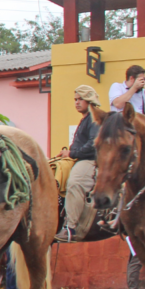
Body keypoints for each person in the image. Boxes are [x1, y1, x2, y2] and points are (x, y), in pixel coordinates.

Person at [54, 85, 102, 243]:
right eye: (75, 99)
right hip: (79, 158)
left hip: (90, 160)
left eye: (80, 99)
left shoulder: (94, 118)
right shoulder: (85, 118)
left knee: (75, 183)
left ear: (89, 100)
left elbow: (94, 144)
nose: (76, 102)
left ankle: (70, 228)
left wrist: (72, 153)